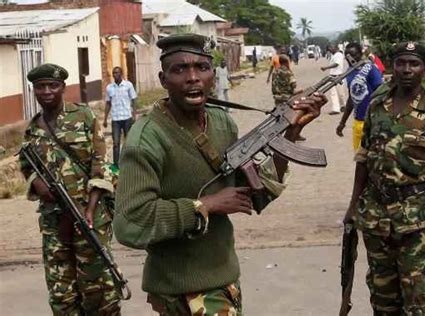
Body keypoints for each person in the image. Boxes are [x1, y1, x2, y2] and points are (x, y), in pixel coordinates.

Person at [112, 33, 327, 315]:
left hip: (224, 276)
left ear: (213, 75)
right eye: (180, 69)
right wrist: (207, 205)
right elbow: (129, 224)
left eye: (202, 68)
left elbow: (251, 196)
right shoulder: (147, 139)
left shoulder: (222, 122)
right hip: (181, 288)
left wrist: (290, 133)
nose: (193, 78)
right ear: (163, 80)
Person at [343, 42, 425, 315]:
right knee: (382, 298)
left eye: (414, 64)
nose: (406, 69)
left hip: (416, 218)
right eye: (401, 63)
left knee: (417, 298)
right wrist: (353, 205)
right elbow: (364, 158)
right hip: (375, 215)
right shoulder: (377, 106)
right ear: (393, 66)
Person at [19, 63, 121, 315]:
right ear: (34, 90)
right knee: (61, 293)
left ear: (63, 87)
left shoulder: (83, 116)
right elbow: (25, 163)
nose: (46, 91)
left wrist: (91, 206)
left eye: (52, 85)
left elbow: (101, 161)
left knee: (99, 290)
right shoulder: (32, 130)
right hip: (54, 222)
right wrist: (37, 183)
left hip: (90, 217)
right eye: (40, 87)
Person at [336, 42, 384, 150]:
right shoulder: (349, 72)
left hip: (372, 123)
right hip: (358, 122)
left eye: (354, 55)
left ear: (360, 54)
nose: (350, 58)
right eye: (347, 56)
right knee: (359, 158)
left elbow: (381, 93)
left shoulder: (371, 69)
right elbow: (352, 98)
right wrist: (342, 122)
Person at [103, 66, 137, 167]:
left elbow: (134, 100)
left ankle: (130, 162)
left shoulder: (128, 85)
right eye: (113, 73)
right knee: (116, 143)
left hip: (127, 117)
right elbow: (108, 103)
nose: (115, 75)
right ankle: (116, 164)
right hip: (115, 119)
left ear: (121, 74)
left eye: (117, 73)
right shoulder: (109, 88)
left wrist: (134, 115)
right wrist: (105, 119)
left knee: (128, 141)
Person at [272, 54, 305, 141]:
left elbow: (274, 86)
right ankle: (295, 134)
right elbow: (293, 85)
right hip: (287, 98)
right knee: (294, 117)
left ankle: (275, 135)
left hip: (277, 98)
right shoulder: (288, 72)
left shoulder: (275, 72)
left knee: (279, 116)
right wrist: (300, 91)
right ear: (287, 62)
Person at [321, 44, 347, 114]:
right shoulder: (335, 55)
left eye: (330, 49)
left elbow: (336, 64)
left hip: (337, 76)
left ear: (334, 48)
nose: (329, 51)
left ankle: (341, 107)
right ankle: (338, 108)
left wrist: (326, 67)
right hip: (334, 76)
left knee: (339, 93)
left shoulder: (338, 55)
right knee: (336, 93)